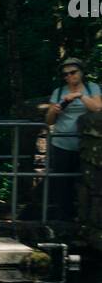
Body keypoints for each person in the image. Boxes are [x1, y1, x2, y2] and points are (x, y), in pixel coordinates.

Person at [44, 58, 102, 219]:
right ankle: (62, 217)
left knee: (87, 182)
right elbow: (49, 121)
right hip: (62, 143)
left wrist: (79, 96)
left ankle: (84, 217)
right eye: (66, 74)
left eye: (73, 72)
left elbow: (98, 108)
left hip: (86, 146)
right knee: (62, 182)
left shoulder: (92, 88)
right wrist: (54, 110)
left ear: (81, 72)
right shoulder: (59, 92)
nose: (69, 76)